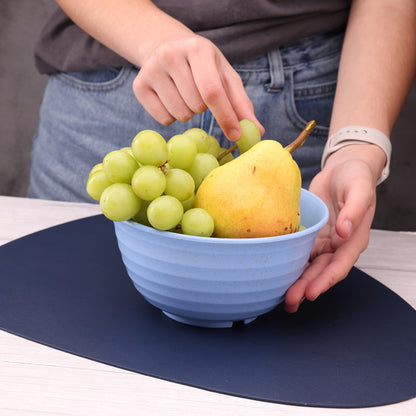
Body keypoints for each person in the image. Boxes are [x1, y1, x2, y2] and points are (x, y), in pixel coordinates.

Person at [28, 0, 416, 313]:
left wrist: (357, 146)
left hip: (322, 93)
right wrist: (155, 38)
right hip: (113, 82)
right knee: (52, 316)